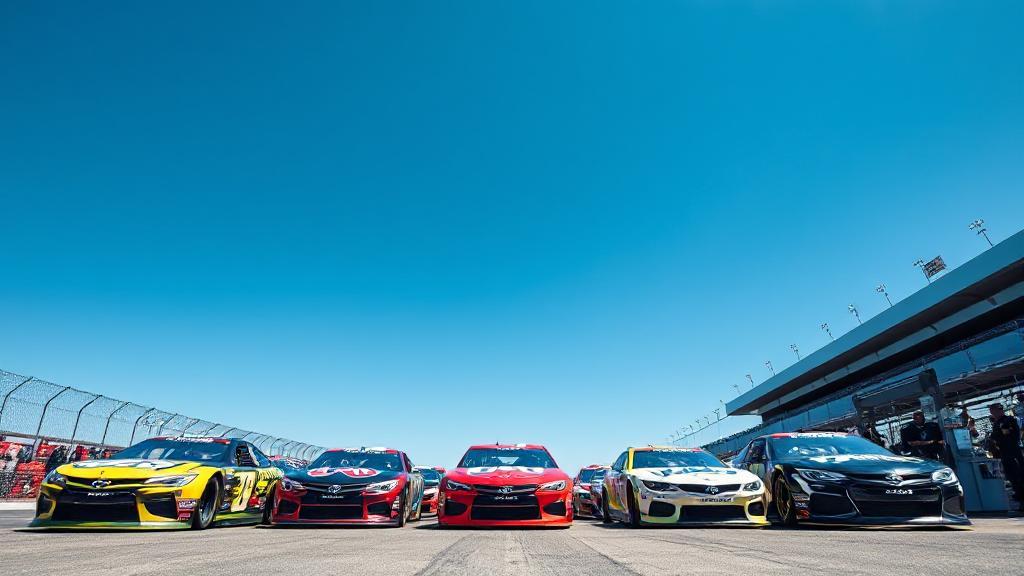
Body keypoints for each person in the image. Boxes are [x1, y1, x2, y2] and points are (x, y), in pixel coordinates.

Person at [988, 403, 1024, 511]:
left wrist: (995, 438)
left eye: (993, 410)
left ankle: (1022, 500)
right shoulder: (997, 423)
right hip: (1005, 454)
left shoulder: (1007, 420)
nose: (992, 413)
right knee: (1012, 477)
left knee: (1019, 476)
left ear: (998, 410)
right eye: (991, 411)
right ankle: (1020, 497)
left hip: (1013, 453)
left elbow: (1005, 434)